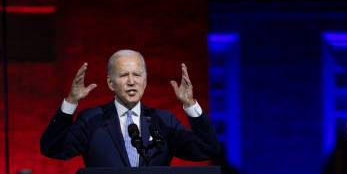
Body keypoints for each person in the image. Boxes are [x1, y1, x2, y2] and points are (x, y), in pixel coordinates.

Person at [40, 49, 220, 167]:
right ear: (111, 83)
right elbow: (52, 148)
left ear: (145, 81)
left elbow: (206, 149)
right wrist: (70, 102)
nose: (131, 81)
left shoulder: (163, 121)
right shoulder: (91, 119)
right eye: (124, 75)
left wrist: (190, 105)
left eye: (137, 75)